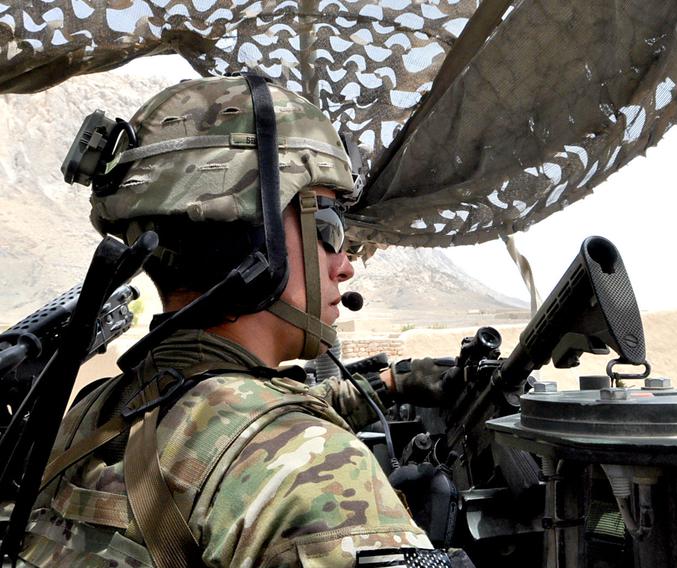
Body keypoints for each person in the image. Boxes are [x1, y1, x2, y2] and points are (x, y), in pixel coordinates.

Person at [19, 75, 457, 567]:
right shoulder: (309, 466)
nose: (346, 264)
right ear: (253, 235)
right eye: (329, 227)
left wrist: (388, 383)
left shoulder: (93, 411)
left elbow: (217, 421)